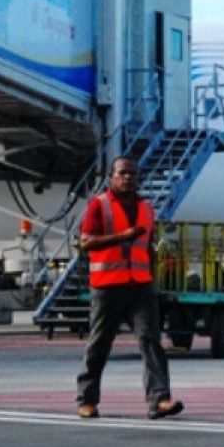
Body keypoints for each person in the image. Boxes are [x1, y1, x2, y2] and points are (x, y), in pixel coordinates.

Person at [75, 156, 183, 420]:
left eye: (132, 173)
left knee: (151, 342)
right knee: (99, 344)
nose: (127, 178)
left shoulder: (146, 208)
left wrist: (154, 278)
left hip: (140, 286)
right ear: (111, 177)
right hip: (108, 287)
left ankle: (160, 399)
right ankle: (87, 399)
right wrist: (121, 237)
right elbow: (86, 243)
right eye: (122, 173)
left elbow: (147, 246)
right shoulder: (99, 206)